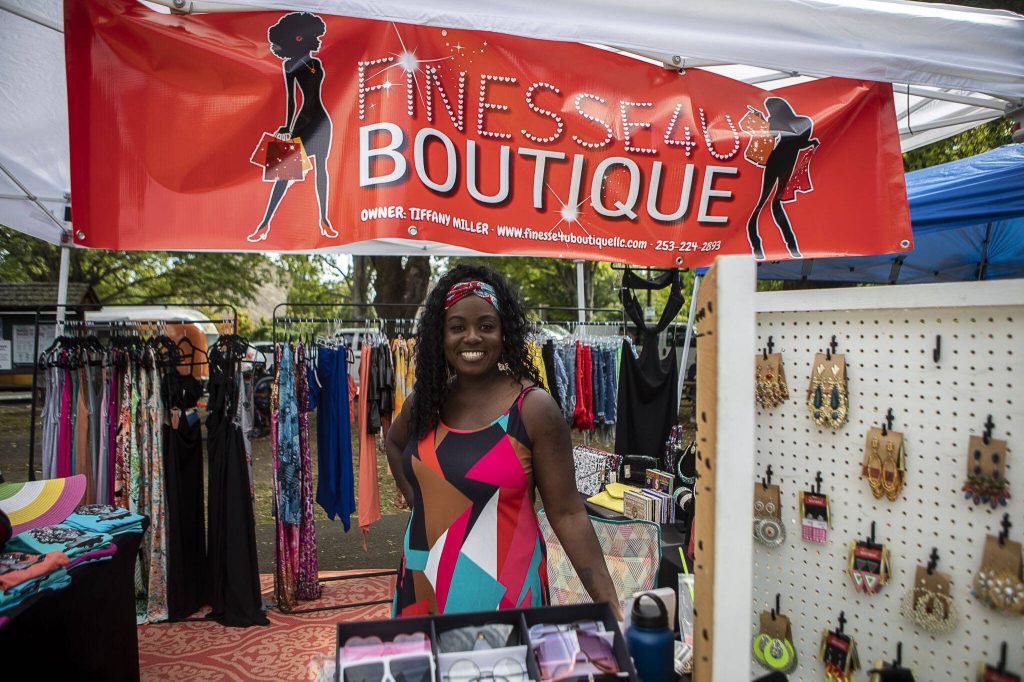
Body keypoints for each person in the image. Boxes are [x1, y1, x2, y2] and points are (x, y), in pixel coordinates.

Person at [385, 263, 621, 618]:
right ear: (440, 335)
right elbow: (394, 443)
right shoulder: (426, 403)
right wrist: (421, 503)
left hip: (502, 594)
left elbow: (569, 513)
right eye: (457, 327)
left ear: (504, 333)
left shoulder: (533, 409)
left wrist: (611, 606)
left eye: (486, 326)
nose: (472, 338)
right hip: (423, 580)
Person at [247, 12, 337, 243]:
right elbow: (291, 99)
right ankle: (264, 224)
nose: (319, 40)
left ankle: (325, 220)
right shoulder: (290, 65)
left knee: (321, 170)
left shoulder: (315, 62)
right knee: (283, 176)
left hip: (322, 121)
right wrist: (287, 126)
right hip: (302, 123)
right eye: (315, 36)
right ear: (300, 38)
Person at [745, 96, 819, 260]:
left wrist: (811, 143)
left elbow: (800, 141)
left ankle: (788, 246)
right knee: (764, 205)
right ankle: (761, 246)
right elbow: (770, 134)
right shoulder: (795, 121)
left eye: (770, 108)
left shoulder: (801, 121)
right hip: (778, 162)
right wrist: (761, 118)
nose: (770, 112)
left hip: (784, 164)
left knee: (771, 204)